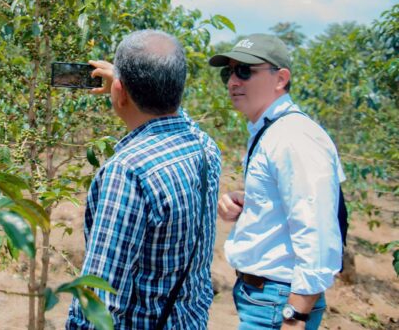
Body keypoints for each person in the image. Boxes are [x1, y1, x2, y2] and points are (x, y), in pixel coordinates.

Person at [66, 29, 221, 329]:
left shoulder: (128, 172)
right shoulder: (204, 147)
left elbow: (99, 306)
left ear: (119, 91)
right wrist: (127, 85)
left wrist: (125, 85)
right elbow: (175, 115)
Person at [209, 34, 345, 329]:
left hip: (279, 301)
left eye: (244, 71)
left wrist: (294, 316)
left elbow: (318, 231)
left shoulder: (294, 136)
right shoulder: (271, 130)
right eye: (228, 72)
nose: (233, 80)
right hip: (263, 297)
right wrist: (251, 202)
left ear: (281, 79)